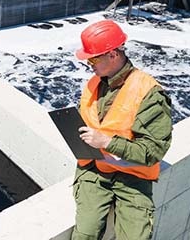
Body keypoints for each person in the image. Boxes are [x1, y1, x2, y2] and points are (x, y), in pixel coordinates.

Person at [71, 19, 172, 240]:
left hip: (133, 176)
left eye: (93, 59)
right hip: (94, 169)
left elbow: (153, 151)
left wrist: (106, 142)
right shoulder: (94, 83)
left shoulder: (150, 93)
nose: (91, 65)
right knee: (85, 235)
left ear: (113, 55)